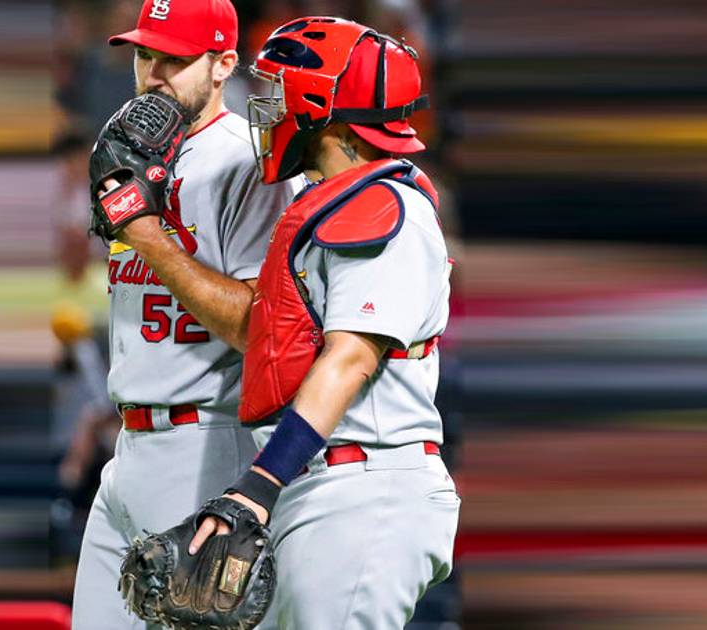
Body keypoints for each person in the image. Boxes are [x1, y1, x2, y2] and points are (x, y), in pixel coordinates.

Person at [187, 17, 461, 629]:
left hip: (365, 483)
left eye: (281, 93)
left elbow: (350, 358)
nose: (267, 109)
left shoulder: (385, 209)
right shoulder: (336, 199)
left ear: (322, 111)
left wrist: (259, 483)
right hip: (327, 480)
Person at [70, 0, 301, 627]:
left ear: (224, 64)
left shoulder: (250, 162)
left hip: (205, 445)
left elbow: (256, 326)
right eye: (145, 55)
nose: (153, 74)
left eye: (175, 59)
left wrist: (146, 235)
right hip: (128, 445)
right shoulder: (126, 147)